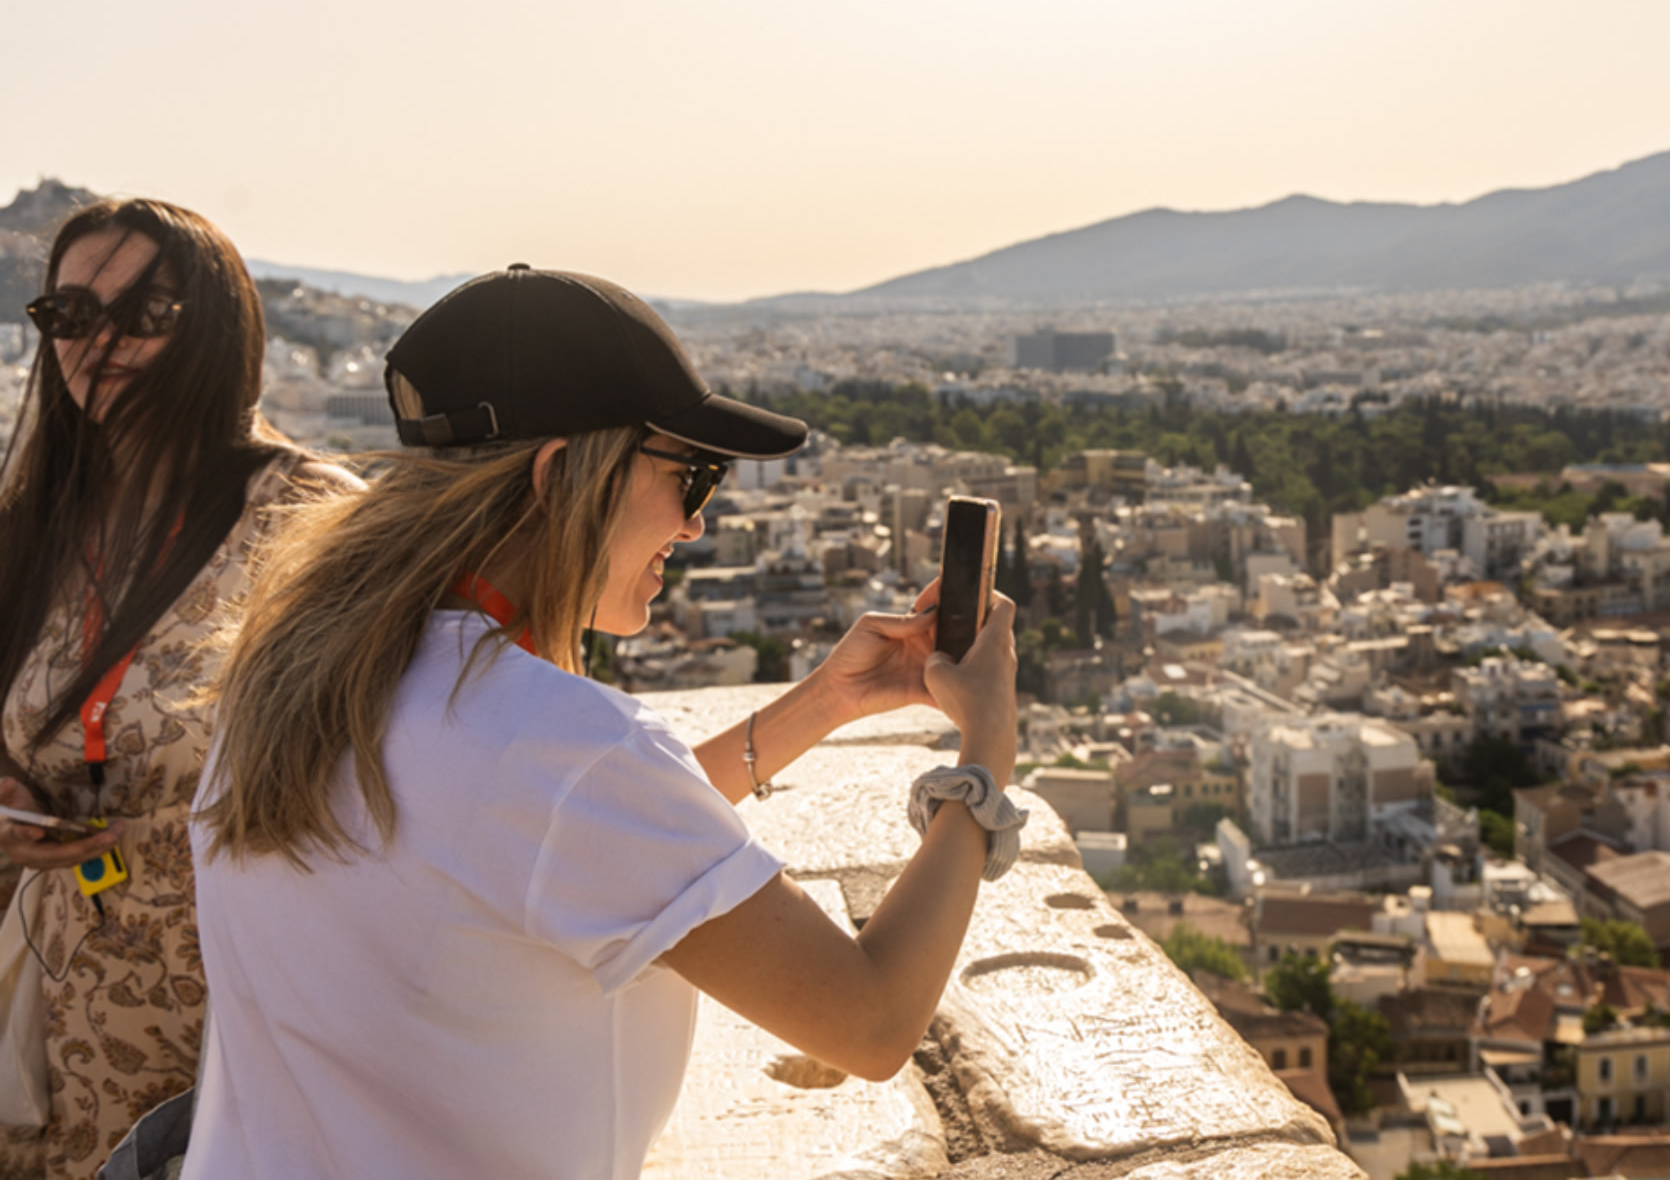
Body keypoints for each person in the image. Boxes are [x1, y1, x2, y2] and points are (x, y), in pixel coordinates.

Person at [185, 265, 1021, 1179]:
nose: (696, 525)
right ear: (559, 477)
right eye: (691, 476)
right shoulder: (556, 746)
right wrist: (983, 757)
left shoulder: (295, 673)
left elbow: (538, 842)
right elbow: (870, 1021)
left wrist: (829, 700)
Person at [0, 199, 354, 1180]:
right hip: (63, 1008)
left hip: (241, 1014)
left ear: (214, 329)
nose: (100, 342)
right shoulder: (37, 522)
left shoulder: (308, 518)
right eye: (69, 315)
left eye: (144, 314)